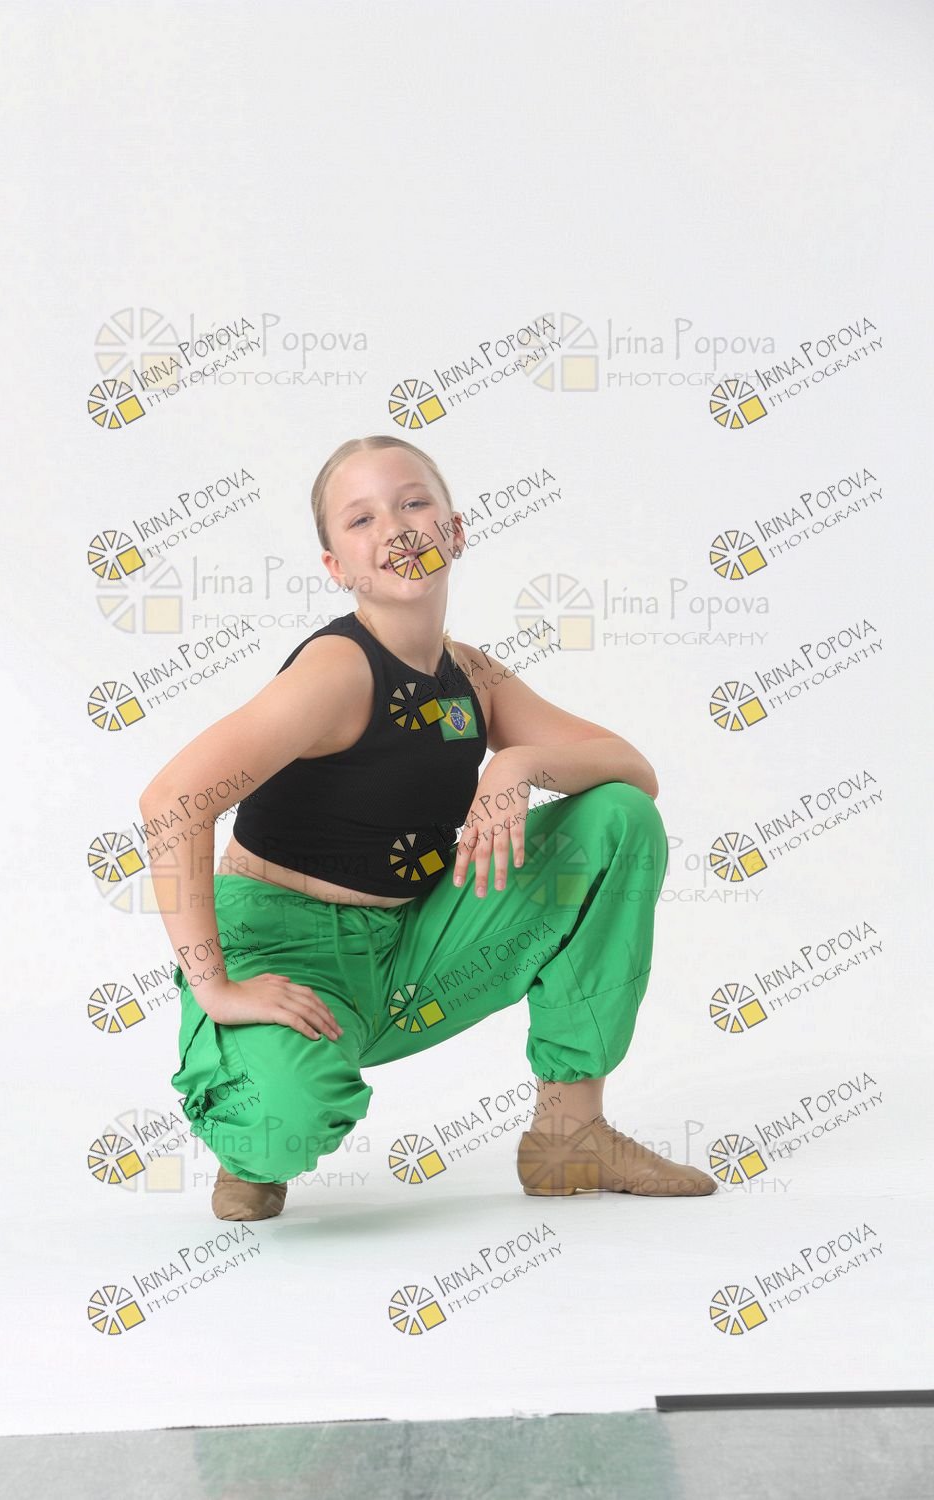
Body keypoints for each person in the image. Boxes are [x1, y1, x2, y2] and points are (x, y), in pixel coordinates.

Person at [139, 435, 717, 1220]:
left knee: (618, 817)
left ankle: (571, 1135)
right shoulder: (338, 669)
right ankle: (252, 1136)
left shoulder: (472, 676)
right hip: (288, 947)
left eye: (414, 503)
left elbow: (632, 770)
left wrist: (518, 766)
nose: (396, 528)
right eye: (362, 519)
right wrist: (215, 986)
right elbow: (172, 801)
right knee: (280, 1126)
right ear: (337, 567)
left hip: (418, 946)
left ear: (455, 530)